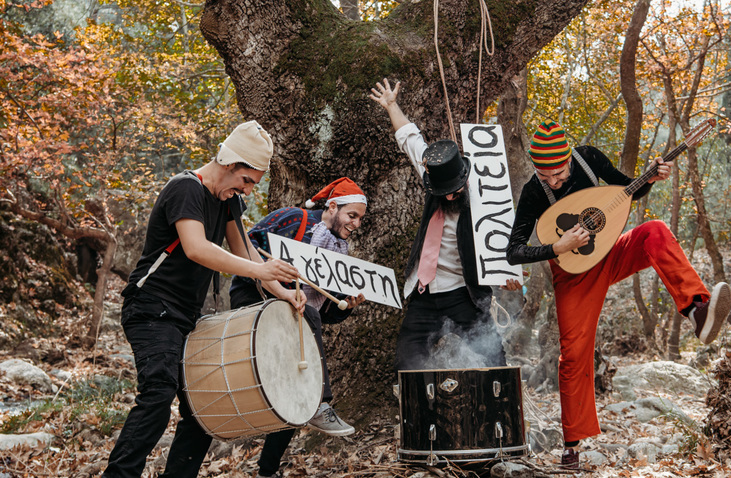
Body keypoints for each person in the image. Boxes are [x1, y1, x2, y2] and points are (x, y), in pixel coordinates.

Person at [506, 121, 731, 470]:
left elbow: (626, 191)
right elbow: (514, 251)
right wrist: (556, 246)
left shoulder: (587, 159)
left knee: (654, 231)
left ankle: (697, 310)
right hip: (572, 276)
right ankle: (572, 447)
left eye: (559, 172)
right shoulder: (534, 192)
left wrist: (652, 178)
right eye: (545, 175)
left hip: (610, 252)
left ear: (569, 157)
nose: (553, 181)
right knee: (574, 355)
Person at [102, 121, 306, 478]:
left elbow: (248, 257)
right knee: (158, 392)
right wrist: (262, 272)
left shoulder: (229, 204)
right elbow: (197, 248)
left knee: (203, 407)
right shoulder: (186, 189)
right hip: (151, 307)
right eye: (246, 181)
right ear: (231, 164)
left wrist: (284, 292)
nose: (246, 191)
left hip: (188, 316)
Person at [370, 78, 521, 371]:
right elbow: (410, 139)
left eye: (455, 190)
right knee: (407, 361)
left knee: (493, 358)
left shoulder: (482, 196)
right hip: (424, 293)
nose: (449, 196)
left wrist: (509, 274)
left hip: (463, 292)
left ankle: (502, 410)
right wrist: (391, 105)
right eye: (443, 192)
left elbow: (501, 235)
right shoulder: (434, 175)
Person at [228, 177, 368, 478]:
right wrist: (277, 281)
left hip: (299, 314)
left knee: (296, 391)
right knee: (310, 329)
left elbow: (324, 313)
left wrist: (345, 306)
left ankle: (268, 470)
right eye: (351, 215)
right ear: (332, 206)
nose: (355, 224)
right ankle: (320, 402)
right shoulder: (293, 219)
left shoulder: (338, 253)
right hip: (253, 295)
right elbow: (244, 248)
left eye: (359, 219)